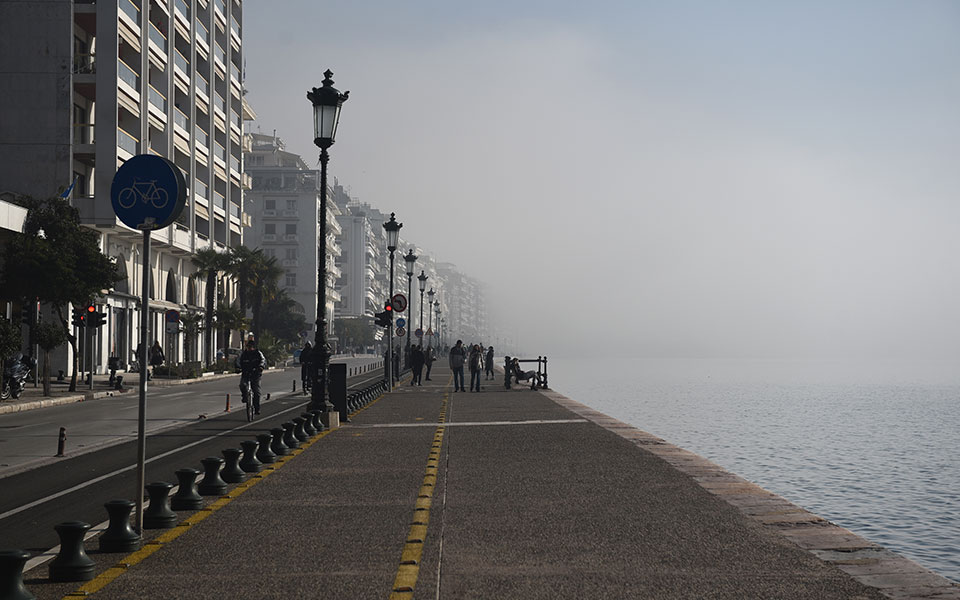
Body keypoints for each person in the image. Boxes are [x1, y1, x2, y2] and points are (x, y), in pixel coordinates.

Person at [237, 336, 266, 415]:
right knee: (242, 385)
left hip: (256, 374)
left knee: (256, 392)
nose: (250, 348)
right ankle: (245, 397)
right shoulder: (243, 354)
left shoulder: (258, 353)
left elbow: (263, 360)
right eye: (248, 347)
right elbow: (238, 361)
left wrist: (261, 367)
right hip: (246, 373)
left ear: (254, 347)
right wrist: (238, 368)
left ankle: (257, 408)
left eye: (251, 347)